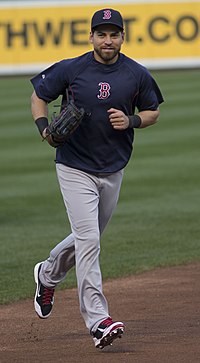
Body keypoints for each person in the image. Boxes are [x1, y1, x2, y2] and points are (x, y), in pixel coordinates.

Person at [30, 8, 164, 349]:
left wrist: (133, 121)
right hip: (74, 166)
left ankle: (47, 274)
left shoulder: (136, 74)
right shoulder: (72, 68)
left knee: (85, 237)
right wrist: (44, 128)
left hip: (113, 168)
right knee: (89, 241)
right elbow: (38, 96)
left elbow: (153, 111)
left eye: (113, 34)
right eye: (101, 34)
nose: (108, 40)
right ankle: (98, 320)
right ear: (91, 36)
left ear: (122, 36)